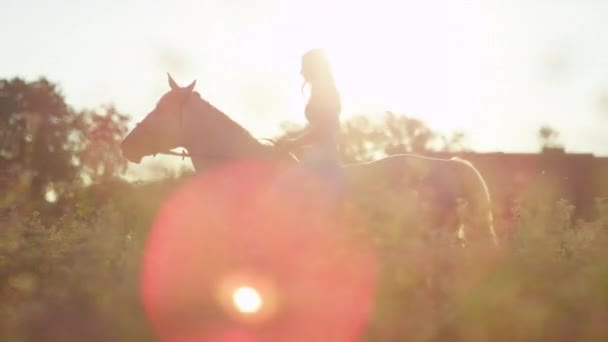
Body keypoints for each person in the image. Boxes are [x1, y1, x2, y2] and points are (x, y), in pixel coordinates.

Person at [277, 48, 342, 167]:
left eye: (304, 66)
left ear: (314, 67)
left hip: (324, 159)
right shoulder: (322, 89)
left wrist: (293, 143)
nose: (301, 72)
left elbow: (321, 131)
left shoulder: (324, 90)